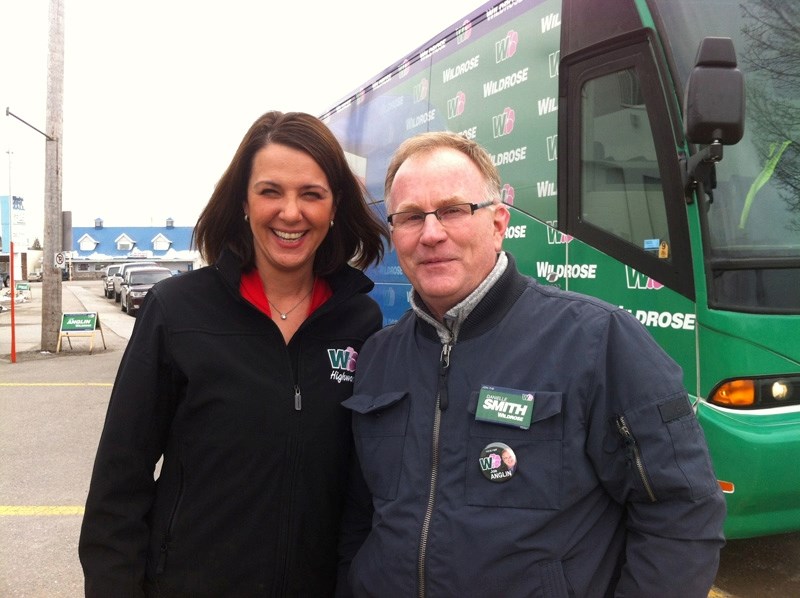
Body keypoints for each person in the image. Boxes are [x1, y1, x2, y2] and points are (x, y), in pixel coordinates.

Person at [341, 131, 726, 597]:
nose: (431, 233)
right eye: (410, 217)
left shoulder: (598, 341)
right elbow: (360, 515)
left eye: (453, 210)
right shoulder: (379, 357)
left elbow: (681, 510)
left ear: (499, 222)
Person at [79, 111, 389, 596]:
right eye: (270, 191)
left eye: (311, 193)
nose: (291, 212)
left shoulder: (360, 321)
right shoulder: (177, 310)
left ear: (334, 207)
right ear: (244, 202)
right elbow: (120, 480)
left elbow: (364, 488)